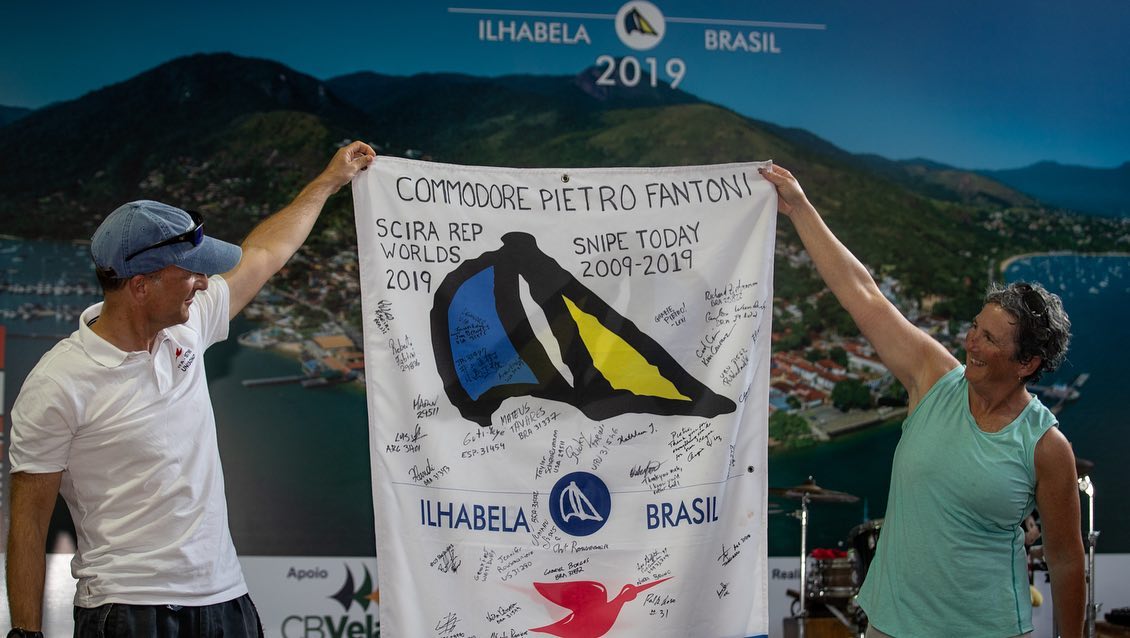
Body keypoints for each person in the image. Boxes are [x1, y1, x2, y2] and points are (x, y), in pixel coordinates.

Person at [6, 141, 376, 637]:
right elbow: (28, 523)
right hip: (127, 608)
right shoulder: (58, 383)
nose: (204, 282)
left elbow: (266, 253)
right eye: (191, 272)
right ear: (141, 285)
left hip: (225, 598)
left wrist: (329, 181)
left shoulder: (189, 325)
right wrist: (25, 633)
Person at [759, 164, 1085, 638]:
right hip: (891, 625)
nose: (971, 342)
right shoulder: (933, 378)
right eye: (975, 327)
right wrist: (801, 209)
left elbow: (1066, 558)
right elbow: (864, 295)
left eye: (989, 339)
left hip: (987, 630)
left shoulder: (1046, 447)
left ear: (1027, 363)